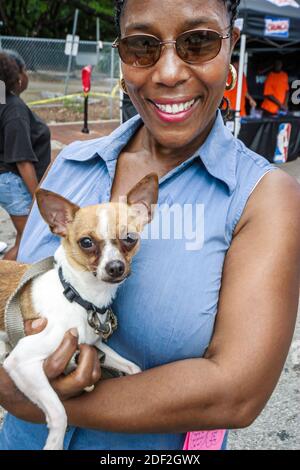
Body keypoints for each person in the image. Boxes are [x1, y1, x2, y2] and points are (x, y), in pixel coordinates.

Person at [0, 0, 299, 451]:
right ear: (120, 54)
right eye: (142, 46)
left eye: (198, 42)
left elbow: (236, 394)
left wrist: (34, 400)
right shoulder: (73, 163)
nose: (169, 72)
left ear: (231, 43)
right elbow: (20, 288)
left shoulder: (263, 196)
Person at [0, 51, 51, 261]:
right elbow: (22, 159)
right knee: (27, 242)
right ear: (18, 75)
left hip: (6, 180)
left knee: (26, 239)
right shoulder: (14, 109)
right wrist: (38, 197)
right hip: (14, 182)